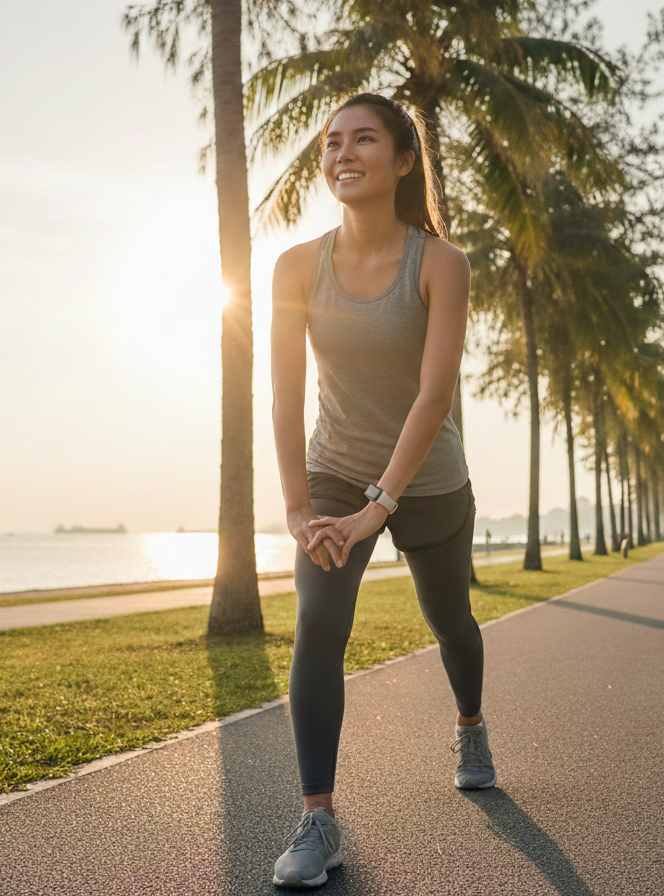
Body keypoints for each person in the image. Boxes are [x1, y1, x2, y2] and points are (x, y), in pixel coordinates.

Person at [270, 92, 494, 889]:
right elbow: (284, 397)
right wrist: (301, 511)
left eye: (363, 139)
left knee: (449, 619)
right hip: (334, 471)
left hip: (426, 478)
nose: (342, 153)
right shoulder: (297, 266)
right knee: (319, 624)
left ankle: (469, 724)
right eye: (331, 142)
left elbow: (435, 397)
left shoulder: (439, 263)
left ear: (403, 161)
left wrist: (379, 509)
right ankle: (318, 820)